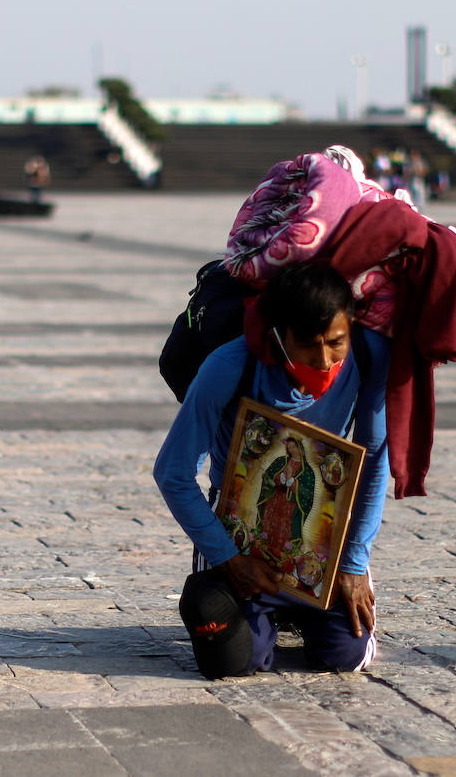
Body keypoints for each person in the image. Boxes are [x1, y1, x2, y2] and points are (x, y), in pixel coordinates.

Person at [154, 262, 390, 677]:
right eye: (307, 344)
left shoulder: (369, 357)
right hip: (241, 540)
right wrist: (227, 557)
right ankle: (247, 608)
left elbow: (374, 461)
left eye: (335, 343)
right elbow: (173, 472)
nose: (322, 361)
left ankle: (304, 613)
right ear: (278, 335)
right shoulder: (228, 367)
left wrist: (353, 563)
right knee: (235, 662)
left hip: (320, 541)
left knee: (345, 655)